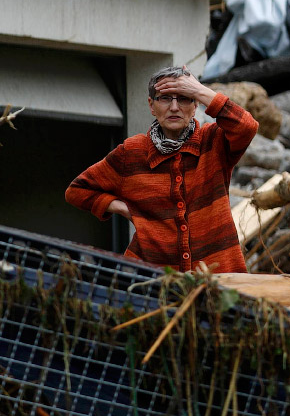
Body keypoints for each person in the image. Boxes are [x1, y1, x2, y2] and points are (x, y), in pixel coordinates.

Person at [66, 66, 257, 273]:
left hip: (220, 277)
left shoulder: (214, 142)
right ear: (151, 105)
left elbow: (246, 126)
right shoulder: (132, 152)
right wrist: (123, 208)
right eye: (165, 98)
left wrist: (199, 90)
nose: (174, 107)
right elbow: (77, 191)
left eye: (184, 98)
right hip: (152, 283)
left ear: (195, 106)